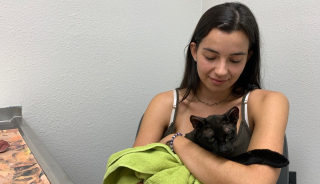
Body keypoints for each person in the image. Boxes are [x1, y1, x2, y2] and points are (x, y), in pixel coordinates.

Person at [133, 2, 289, 184]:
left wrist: (177, 141)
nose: (221, 70)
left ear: (248, 58)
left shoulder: (268, 103)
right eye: (211, 57)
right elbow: (133, 175)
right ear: (194, 51)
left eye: (235, 60)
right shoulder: (164, 104)